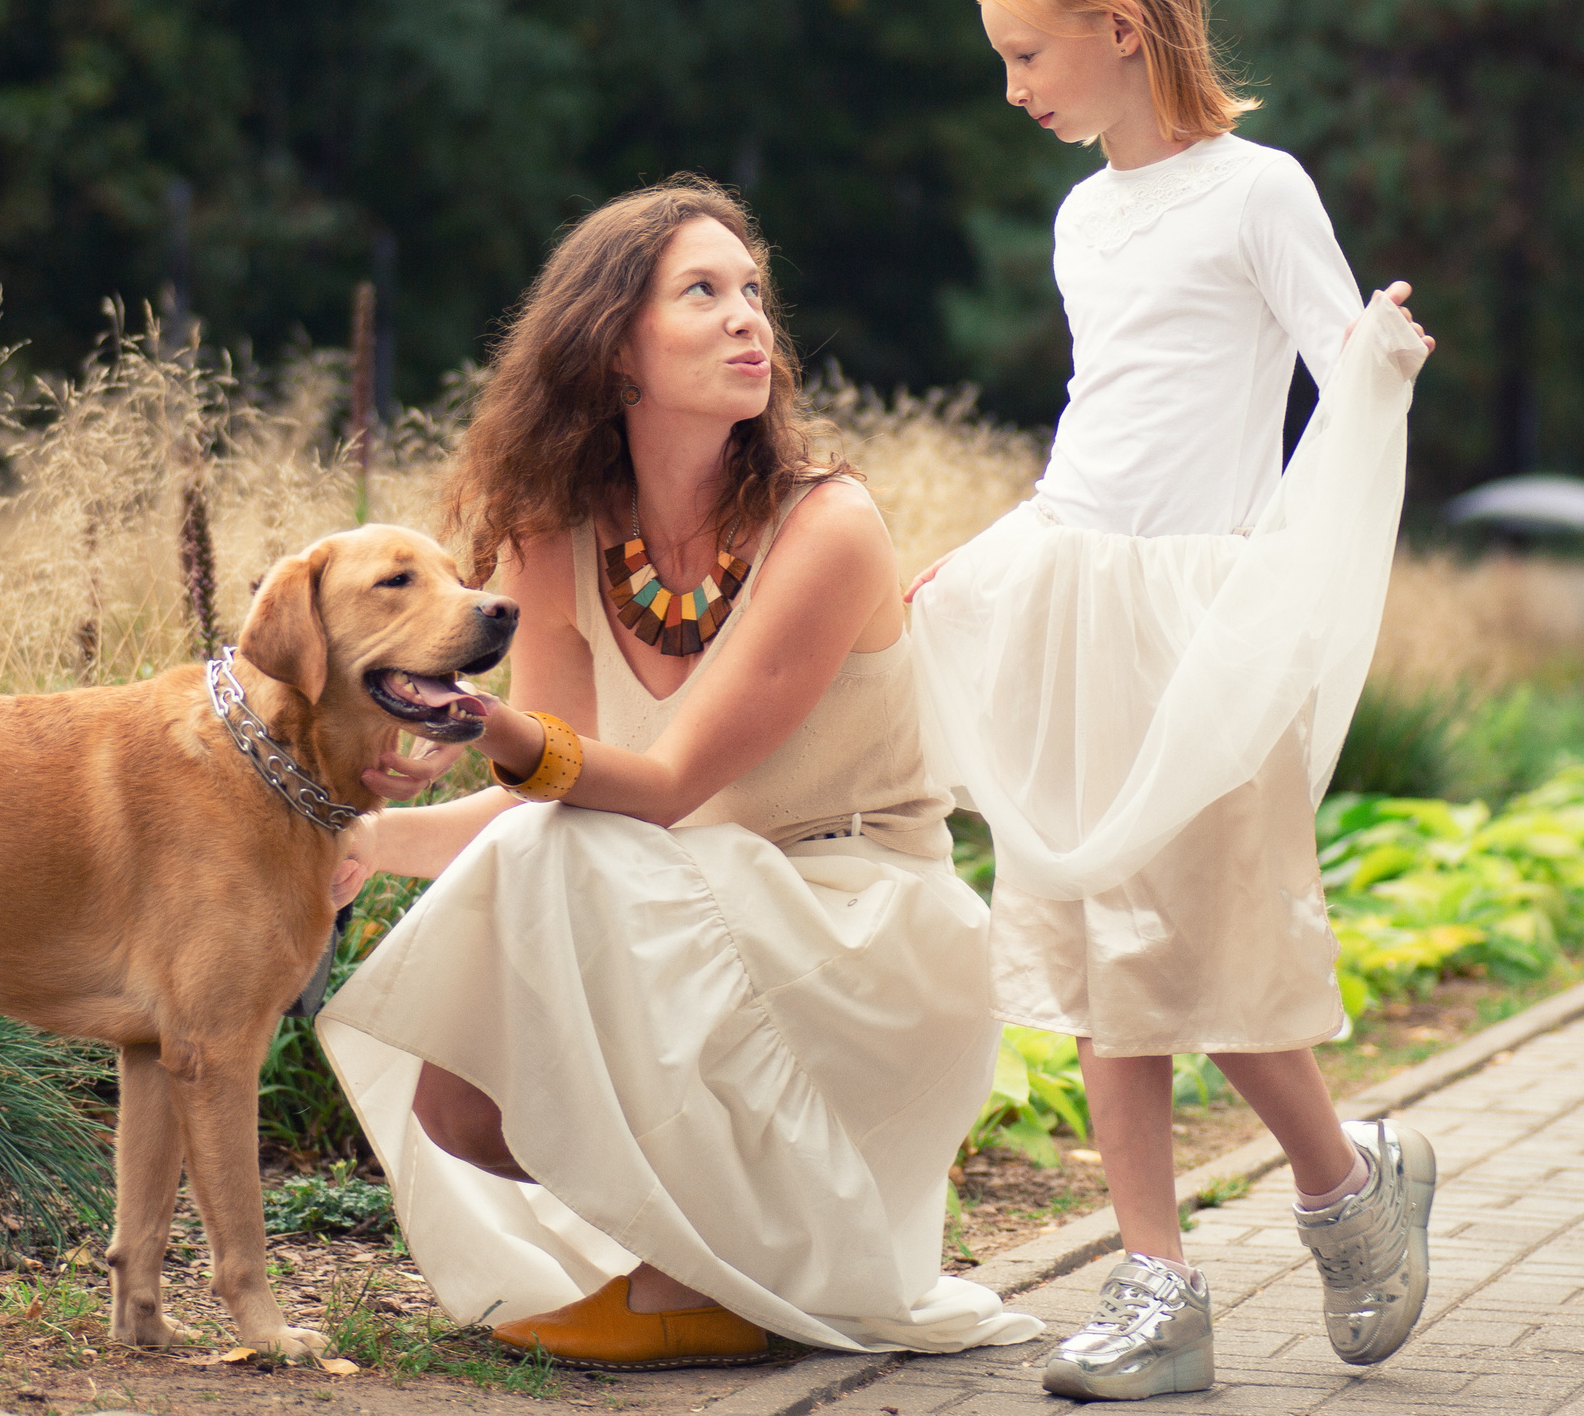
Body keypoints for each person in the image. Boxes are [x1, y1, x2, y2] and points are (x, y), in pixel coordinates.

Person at [317, 176, 1042, 1369]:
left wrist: (481, 723)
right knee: (458, 1107)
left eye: (752, 291)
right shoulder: (552, 526)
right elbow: (554, 785)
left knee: (590, 842)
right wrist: (359, 836)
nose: (748, 317)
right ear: (610, 351)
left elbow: (651, 790)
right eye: (700, 293)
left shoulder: (826, 525)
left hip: (860, 932)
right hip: (687, 906)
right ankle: (719, 1261)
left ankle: (679, 1288)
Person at [906, 0, 1439, 1402]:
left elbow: (1345, 381)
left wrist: (1380, 358)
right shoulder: (1085, 214)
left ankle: (1348, 1191)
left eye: (1026, 55)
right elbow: (1103, 428)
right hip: (1081, 597)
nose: (1011, 86)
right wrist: (1001, 557)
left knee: (1219, 955)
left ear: (1119, 31)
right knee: (1096, 960)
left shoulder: (1259, 189)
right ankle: (1160, 1289)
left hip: (1207, 623)